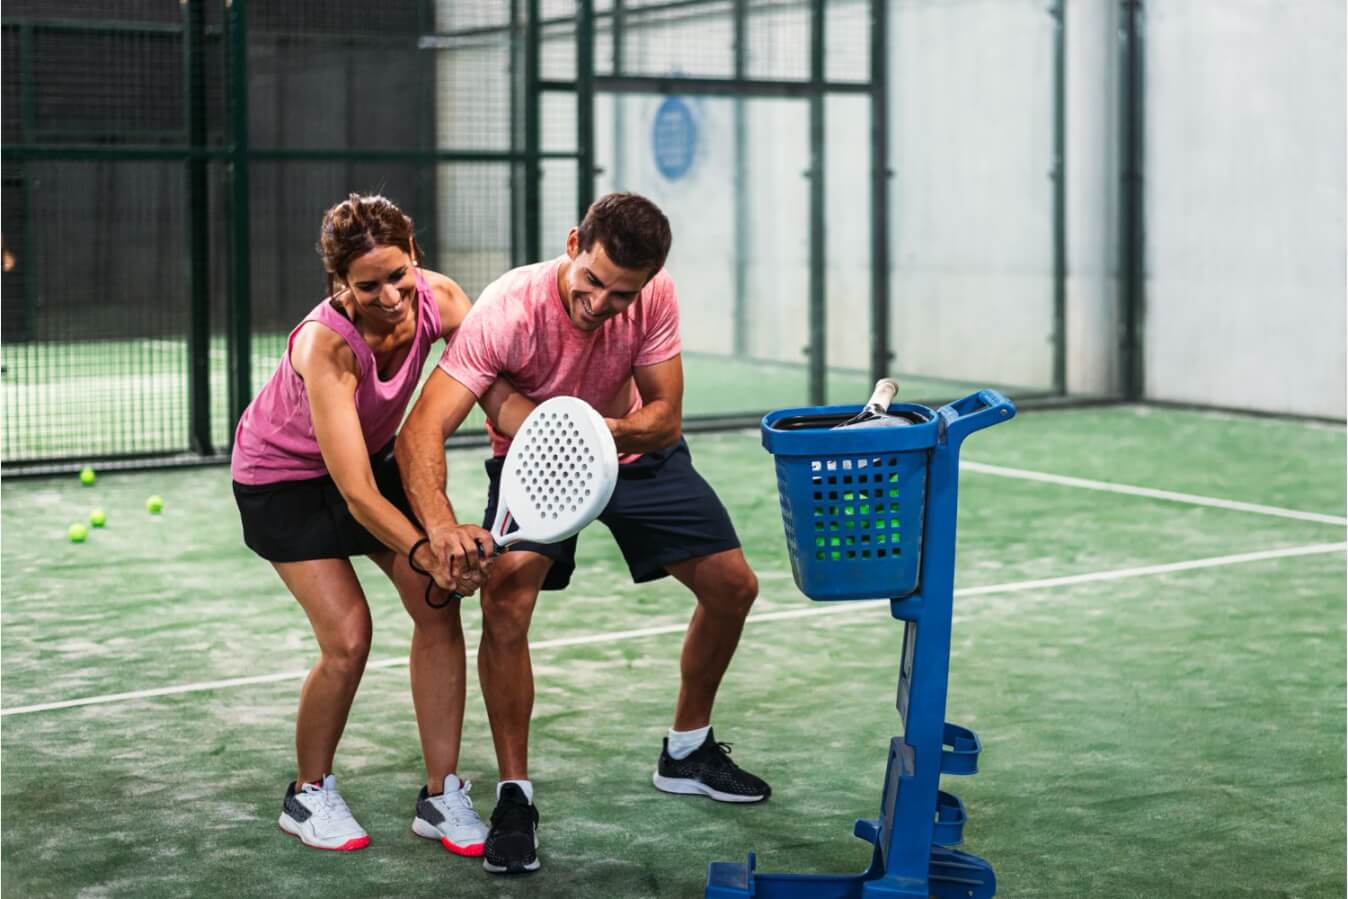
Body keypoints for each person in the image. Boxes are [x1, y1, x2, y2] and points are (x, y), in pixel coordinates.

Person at [396, 192, 770, 876]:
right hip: (533, 462)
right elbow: (421, 429)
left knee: (733, 585)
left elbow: (665, 418)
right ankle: (515, 794)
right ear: (572, 245)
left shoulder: (654, 299)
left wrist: (590, 431)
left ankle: (686, 749)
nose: (600, 302)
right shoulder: (507, 310)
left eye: (620, 294)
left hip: (627, 450)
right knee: (505, 600)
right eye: (592, 280)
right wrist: (442, 527)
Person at [230, 194, 508, 856]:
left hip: (369, 459)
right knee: (350, 636)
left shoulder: (442, 299)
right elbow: (354, 492)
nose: (388, 296)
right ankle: (307, 792)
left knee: (438, 609)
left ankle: (442, 794)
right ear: (337, 285)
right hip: (282, 481)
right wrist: (429, 543)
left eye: (397, 275)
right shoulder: (326, 346)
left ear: (415, 256)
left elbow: (487, 382)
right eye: (367, 285)